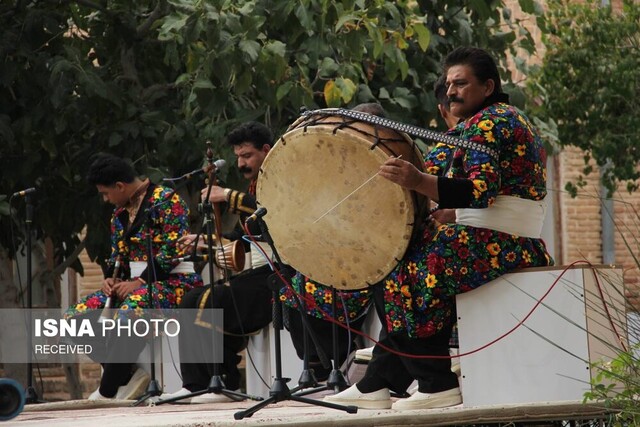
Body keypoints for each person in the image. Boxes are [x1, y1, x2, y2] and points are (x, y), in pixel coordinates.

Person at [325, 47, 554, 411]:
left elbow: (479, 190)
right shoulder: (475, 125)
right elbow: (445, 185)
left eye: (461, 83)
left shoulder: (494, 121)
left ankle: (436, 384)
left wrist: (418, 181)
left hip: (507, 241)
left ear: (488, 86)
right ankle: (378, 382)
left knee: (410, 270)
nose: (451, 91)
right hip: (484, 235)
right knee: (396, 261)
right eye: (449, 83)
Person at [64, 153, 203, 400]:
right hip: (134, 285)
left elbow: (174, 249)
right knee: (73, 317)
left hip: (174, 283)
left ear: (120, 186)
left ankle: (108, 389)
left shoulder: (167, 201)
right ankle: (124, 376)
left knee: (133, 307)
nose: (106, 200)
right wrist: (111, 279)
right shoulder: (119, 214)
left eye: (106, 193)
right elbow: (118, 256)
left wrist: (139, 282)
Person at [159, 121, 276, 404]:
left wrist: (227, 196)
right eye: (238, 157)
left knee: (204, 302)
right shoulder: (256, 183)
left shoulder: (280, 180)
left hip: (278, 276)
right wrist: (205, 242)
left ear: (266, 150)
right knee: (194, 298)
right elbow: (245, 234)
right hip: (257, 274)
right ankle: (207, 382)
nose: (241, 162)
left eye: (247, 155)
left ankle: (215, 382)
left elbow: (272, 213)